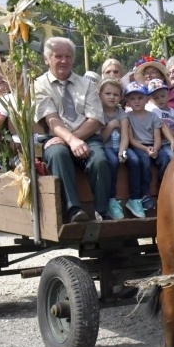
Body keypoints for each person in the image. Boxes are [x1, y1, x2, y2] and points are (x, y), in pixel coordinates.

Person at [35, 37, 111, 223]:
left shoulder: (86, 84)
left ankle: (102, 211)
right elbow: (52, 120)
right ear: (47, 59)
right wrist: (71, 141)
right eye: (58, 56)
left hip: (86, 137)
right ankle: (73, 210)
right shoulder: (39, 84)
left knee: (100, 160)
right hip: (55, 137)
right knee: (58, 154)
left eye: (68, 56)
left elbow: (95, 120)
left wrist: (74, 139)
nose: (64, 61)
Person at [121, 81, 163, 216]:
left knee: (167, 158)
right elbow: (131, 140)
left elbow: (157, 137)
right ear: (127, 101)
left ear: (147, 99)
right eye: (132, 99)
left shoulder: (153, 116)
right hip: (138, 146)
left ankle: (162, 191)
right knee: (144, 161)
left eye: (140, 98)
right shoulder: (127, 116)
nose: (137, 102)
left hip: (152, 146)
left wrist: (155, 149)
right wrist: (146, 150)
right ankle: (145, 195)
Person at [98, 78, 127, 220]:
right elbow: (101, 139)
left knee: (135, 160)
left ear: (121, 97)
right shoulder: (98, 112)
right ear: (100, 95)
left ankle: (137, 199)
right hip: (105, 146)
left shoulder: (121, 113)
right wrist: (111, 126)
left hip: (120, 146)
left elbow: (125, 136)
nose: (111, 97)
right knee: (113, 162)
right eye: (107, 93)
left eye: (116, 95)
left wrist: (123, 151)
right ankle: (111, 198)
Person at [146, 78, 174, 171]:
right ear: (150, 99)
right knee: (171, 156)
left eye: (162, 96)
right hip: (163, 144)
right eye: (156, 97)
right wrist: (172, 135)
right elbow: (158, 133)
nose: (160, 99)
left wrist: (171, 135)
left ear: (168, 95)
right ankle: (164, 180)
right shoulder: (153, 112)